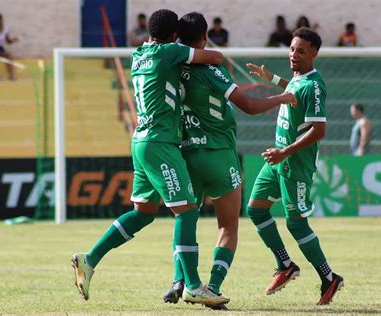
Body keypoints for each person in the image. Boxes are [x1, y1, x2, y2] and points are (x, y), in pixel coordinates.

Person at [71, 9, 229, 307]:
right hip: (160, 141)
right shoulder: (170, 51)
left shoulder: (138, 53)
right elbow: (215, 58)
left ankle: (89, 259)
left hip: (140, 139)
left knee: (144, 212)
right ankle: (193, 285)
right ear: (173, 36)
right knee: (186, 211)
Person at [162, 12, 297, 309]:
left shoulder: (169, 68)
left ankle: (178, 279)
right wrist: (281, 98)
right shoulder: (212, 67)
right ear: (204, 38)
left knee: (185, 219)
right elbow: (248, 105)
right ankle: (213, 286)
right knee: (228, 227)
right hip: (219, 155)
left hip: (185, 153)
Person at [245, 27, 344, 305]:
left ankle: (329, 277)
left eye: (300, 51)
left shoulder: (314, 85)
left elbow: (319, 130)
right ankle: (285, 264)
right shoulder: (298, 79)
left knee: (296, 223)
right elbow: (292, 91)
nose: (293, 55)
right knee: (255, 209)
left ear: (314, 53)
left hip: (294, 164)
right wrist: (272, 79)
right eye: (291, 49)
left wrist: (285, 151)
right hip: (277, 160)